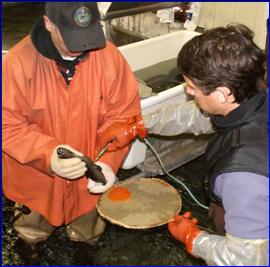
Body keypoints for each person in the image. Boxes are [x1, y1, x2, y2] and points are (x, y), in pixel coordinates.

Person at [2, 2, 145, 264]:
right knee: (32, 220)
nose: (81, 48)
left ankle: (85, 242)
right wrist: (48, 155)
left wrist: (108, 162)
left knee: (89, 216)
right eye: (71, 39)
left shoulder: (109, 56)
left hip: (90, 168)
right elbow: (7, 125)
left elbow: (124, 115)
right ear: (48, 23)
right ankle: (29, 241)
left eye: (87, 36)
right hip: (35, 175)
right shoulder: (15, 64)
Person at [167, 24, 268, 265]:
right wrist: (140, 123)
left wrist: (193, 237)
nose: (188, 92)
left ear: (222, 94)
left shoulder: (242, 176)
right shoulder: (255, 97)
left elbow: (244, 258)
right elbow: (194, 116)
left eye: (192, 87)